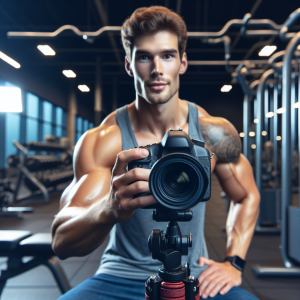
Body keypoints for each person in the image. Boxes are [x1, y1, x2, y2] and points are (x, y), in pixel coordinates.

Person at [53, 6, 260, 300]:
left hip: (195, 276)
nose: (157, 69)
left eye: (167, 55)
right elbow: (61, 240)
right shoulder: (105, 140)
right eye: (144, 57)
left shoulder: (213, 133)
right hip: (121, 273)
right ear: (129, 65)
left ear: (183, 62)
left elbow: (246, 196)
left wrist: (233, 262)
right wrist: (108, 209)